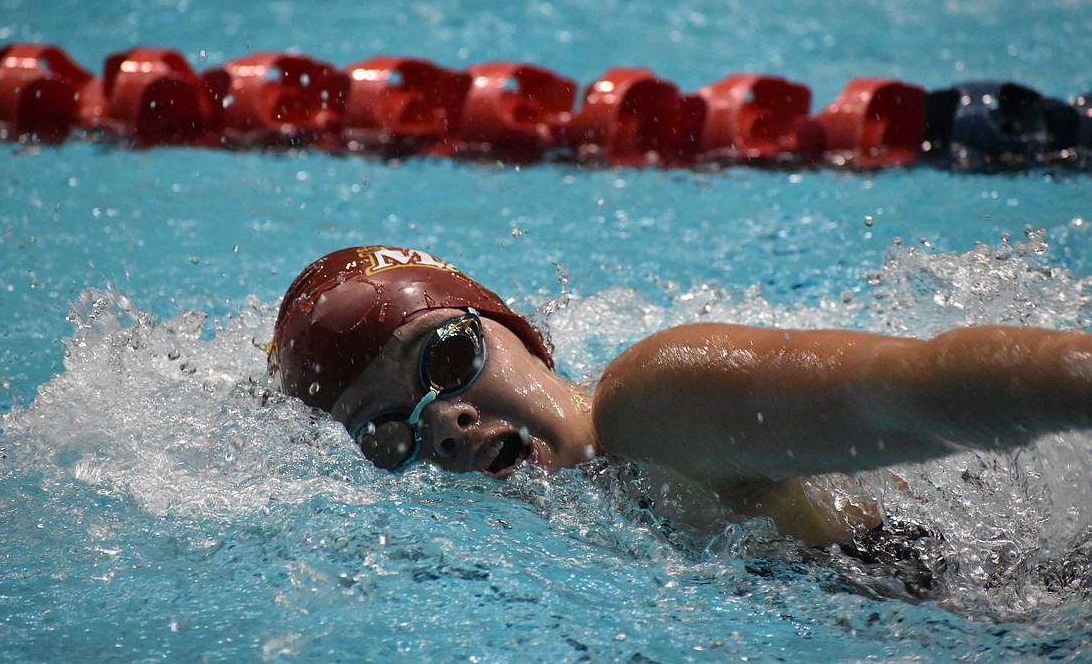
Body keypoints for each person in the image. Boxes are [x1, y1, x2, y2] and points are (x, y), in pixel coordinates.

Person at [269, 245, 1092, 545]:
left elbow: (916, 390)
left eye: (444, 360)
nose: (443, 424)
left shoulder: (652, 403)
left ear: (517, 331)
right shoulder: (596, 512)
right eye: (386, 434)